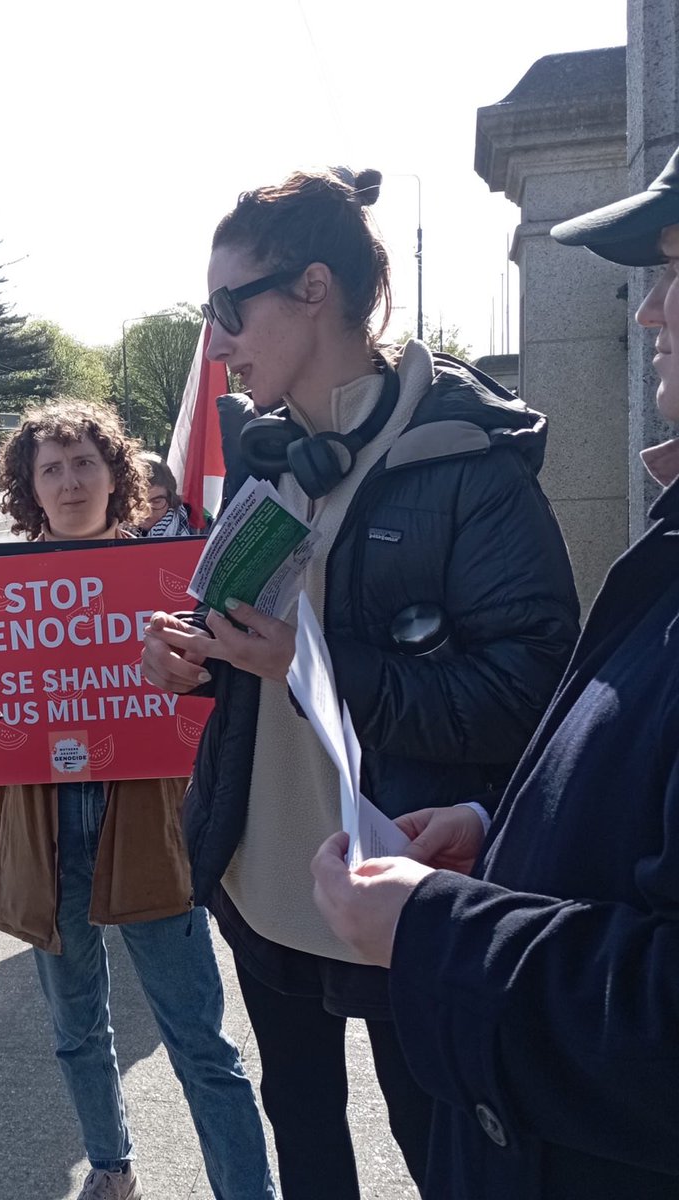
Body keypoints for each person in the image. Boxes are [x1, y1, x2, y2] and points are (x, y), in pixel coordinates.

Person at [141, 168, 580, 1199]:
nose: (215, 341)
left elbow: (528, 694)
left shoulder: (469, 460)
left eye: (227, 308)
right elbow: (256, 652)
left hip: (396, 878)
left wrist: (310, 663)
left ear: (314, 289)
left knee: (436, 1139)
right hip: (260, 874)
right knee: (301, 1122)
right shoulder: (267, 459)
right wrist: (197, 662)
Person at [312, 146, 679, 1200]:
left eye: (672, 269)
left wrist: (438, 929)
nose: (648, 313)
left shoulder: (472, 474)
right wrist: (508, 839)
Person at [0, 400, 274, 1200]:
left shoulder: (172, 582)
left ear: (115, 475)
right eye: (51, 468)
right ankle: (111, 1166)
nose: (70, 482)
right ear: (30, 488)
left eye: (84, 464)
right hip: (45, 832)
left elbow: (218, 703)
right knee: (75, 1032)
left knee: (201, 1042)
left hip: (151, 830)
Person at [138, 452, 193, 536]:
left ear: (171, 500)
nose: (147, 511)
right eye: (139, 503)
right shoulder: (113, 534)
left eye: (156, 501)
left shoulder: (201, 532)